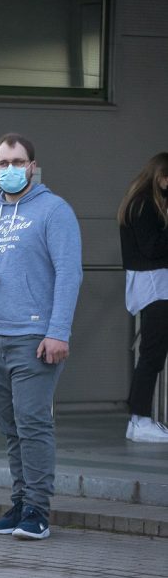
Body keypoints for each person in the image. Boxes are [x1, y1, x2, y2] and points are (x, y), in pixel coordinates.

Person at [0, 133, 82, 540]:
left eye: (18, 162)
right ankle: (20, 501)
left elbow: (69, 274)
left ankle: (37, 509)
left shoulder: (54, 211)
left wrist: (58, 332)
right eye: (3, 163)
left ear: (32, 165)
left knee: (32, 424)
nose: (10, 170)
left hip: (35, 337)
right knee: (10, 426)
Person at [118, 152, 168, 443]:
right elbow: (152, 247)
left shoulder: (136, 202)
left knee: (151, 353)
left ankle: (139, 416)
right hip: (155, 285)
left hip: (150, 284)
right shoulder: (145, 205)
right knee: (152, 353)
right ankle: (140, 418)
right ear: (160, 177)